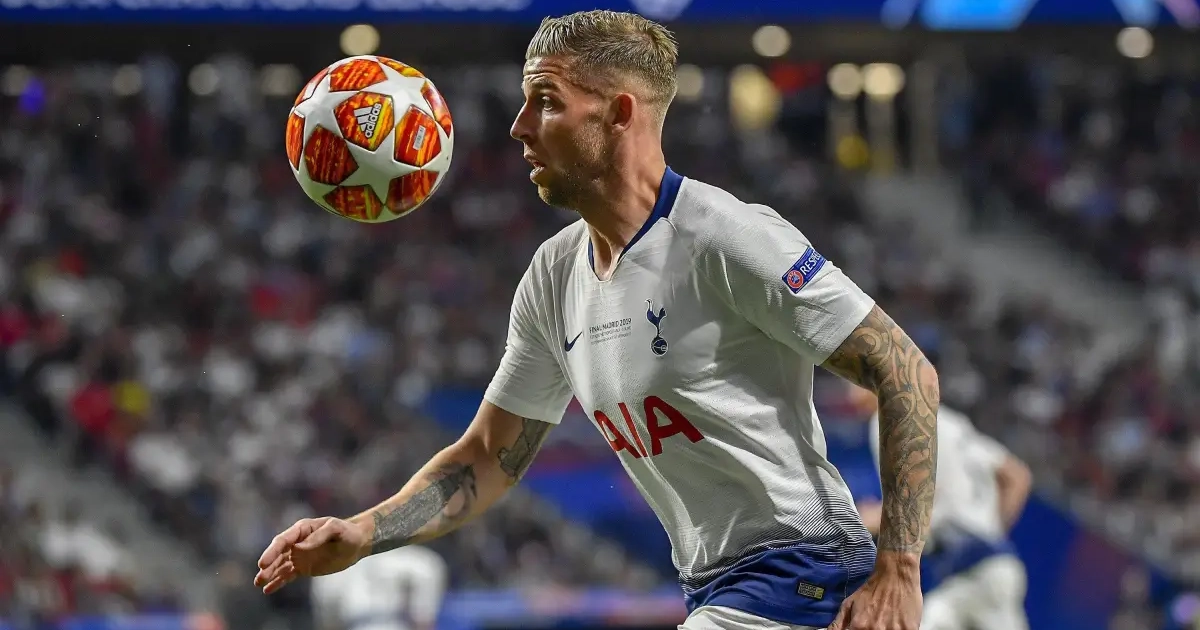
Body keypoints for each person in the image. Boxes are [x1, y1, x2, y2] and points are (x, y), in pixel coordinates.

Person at [254, 10, 941, 630]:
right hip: (722, 589)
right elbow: (488, 456)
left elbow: (906, 370)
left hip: (806, 581)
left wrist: (899, 570)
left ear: (618, 113)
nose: (519, 126)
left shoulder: (725, 236)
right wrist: (363, 533)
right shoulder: (555, 275)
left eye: (545, 101)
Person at [858, 405, 1031, 630]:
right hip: (994, 566)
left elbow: (921, 501)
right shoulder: (947, 421)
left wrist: (869, 519)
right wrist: (991, 533)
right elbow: (1017, 475)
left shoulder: (891, 418)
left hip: (974, 571)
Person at [310, 545, 447, 630]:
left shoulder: (330, 567)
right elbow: (423, 620)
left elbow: (329, 622)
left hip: (379, 623)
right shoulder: (418, 560)